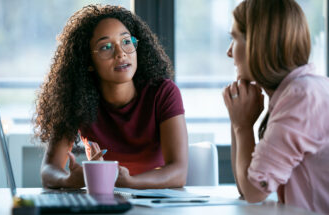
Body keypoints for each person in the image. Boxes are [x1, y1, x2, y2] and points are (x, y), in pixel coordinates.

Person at [34, 4, 188, 190]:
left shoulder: (163, 93)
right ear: (87, 61)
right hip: (105, 201)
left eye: (126, 41)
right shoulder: (76, 99)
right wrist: (68, 180)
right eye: (106, 47)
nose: (120, 53)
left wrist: (131, 182)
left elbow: (179, 173)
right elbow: (49, 169)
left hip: (157, 203)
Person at [223, 0, 329, 213]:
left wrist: (242, 127)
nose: (229, 52)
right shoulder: (303, 90)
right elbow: (247, 189)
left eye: (234, 38)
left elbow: (254, 192)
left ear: (259, 43)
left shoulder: (300, 98)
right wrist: (239, 122)